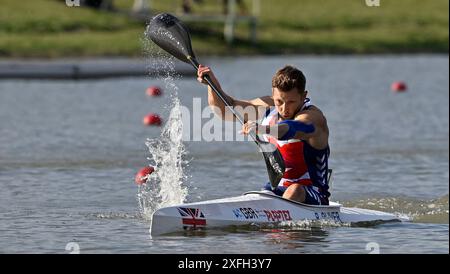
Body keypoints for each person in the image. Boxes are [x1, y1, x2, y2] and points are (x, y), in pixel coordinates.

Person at [197, 65, 331, 205]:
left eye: (291, 102)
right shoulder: (268, 107)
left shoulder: (313, 117)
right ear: (273, 95)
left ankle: (277, 219)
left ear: (304, 96)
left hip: (314, 194)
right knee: (258, 196)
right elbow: (225, 110)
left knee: (294, 190)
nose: (284, 109)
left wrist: (263, 129)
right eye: (279, 101)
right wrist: (211, 84)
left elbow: (291, 129)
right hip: (277, 188)